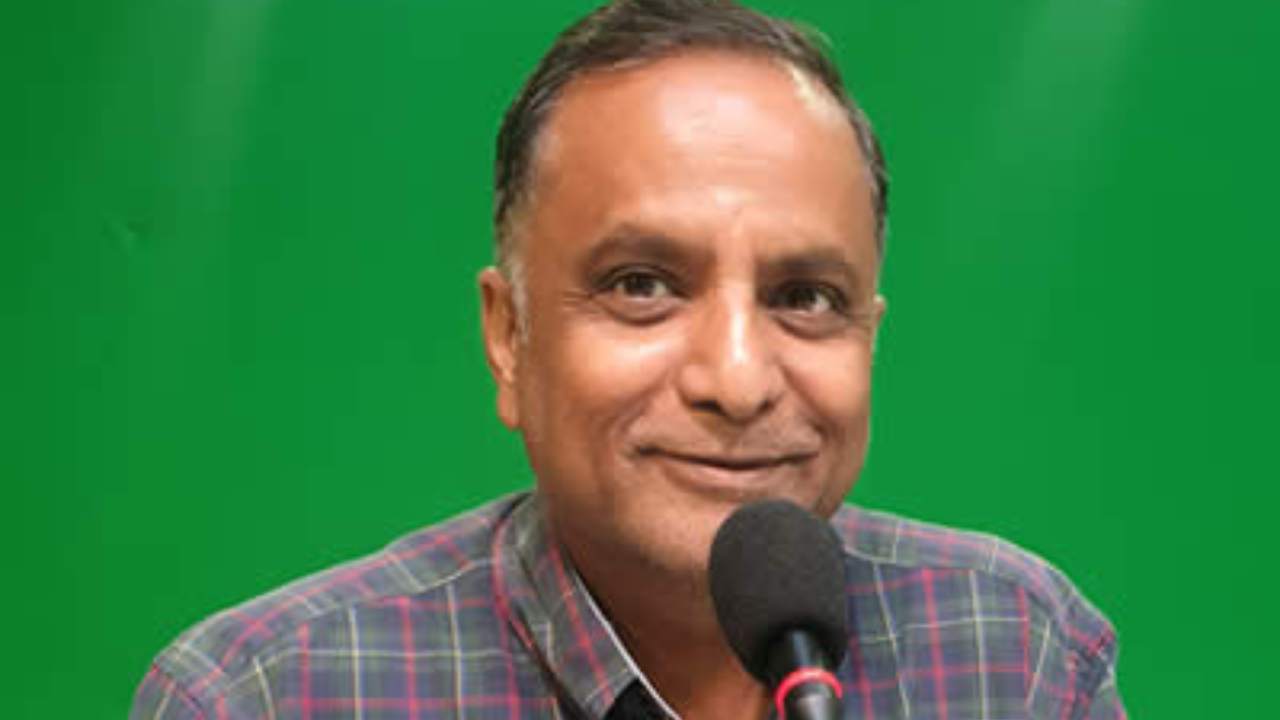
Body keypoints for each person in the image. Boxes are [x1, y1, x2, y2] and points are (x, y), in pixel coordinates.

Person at [131, 1, 1124, 718]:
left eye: (803, 298)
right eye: (641, 285)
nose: (737, 381)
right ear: (509, 337)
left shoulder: (1019, 657)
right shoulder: (264, 696)